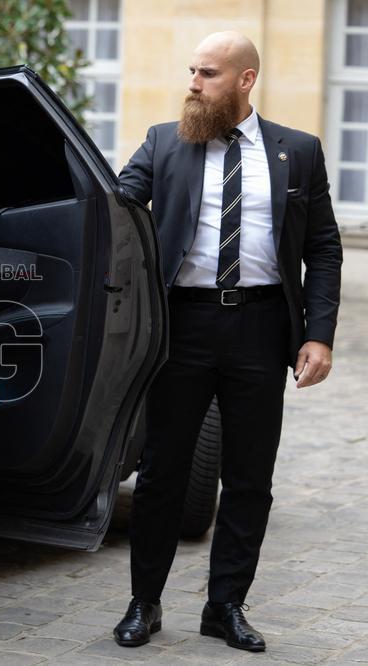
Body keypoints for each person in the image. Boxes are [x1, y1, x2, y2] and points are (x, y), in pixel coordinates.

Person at [113, 31, 342, 652]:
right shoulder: (166, 141)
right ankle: (145, 603)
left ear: (245, 80)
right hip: (181, 325)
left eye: (208, 73)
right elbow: (114, 213)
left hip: (261, 329)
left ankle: (226, 606)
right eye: (191, 70)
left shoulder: (299, 150)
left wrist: (318, 334)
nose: (193, 83)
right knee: (163, 471)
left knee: (249, 476)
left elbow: (322, 247)